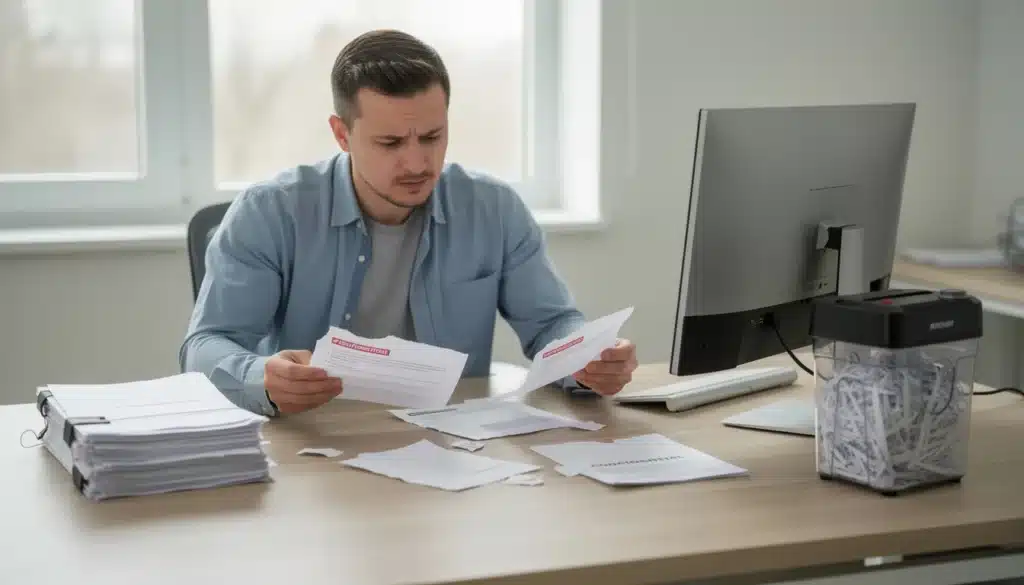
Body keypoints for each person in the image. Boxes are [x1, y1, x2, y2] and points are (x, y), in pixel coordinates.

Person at [179, 29, 638, 416]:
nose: (418, 162)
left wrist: (586, 358)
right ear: (342, 134)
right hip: (315, 443)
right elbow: (206, 346)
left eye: (433, 137)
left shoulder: (494, 209)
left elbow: (551, 324)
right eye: (391, 142)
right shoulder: (269, 212)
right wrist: (261, 376)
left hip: (454, 446)